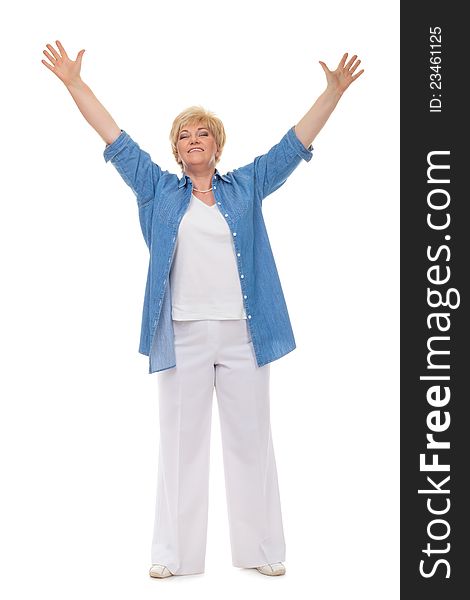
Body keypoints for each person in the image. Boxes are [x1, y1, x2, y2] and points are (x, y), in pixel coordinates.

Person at [41, 40, 364, 578]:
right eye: (184, 135)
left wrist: (331, 93)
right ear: (176, 150)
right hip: (183, 335)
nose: (194, 140)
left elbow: (293, 145)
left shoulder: (246, 187)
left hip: (245, 336)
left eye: (203, 133)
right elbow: (114, 137)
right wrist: (75, 84)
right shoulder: (157, 192)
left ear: (217, 145)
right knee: (180, 447)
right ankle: (173, 556)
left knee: (251, 444)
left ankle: (262, 552)